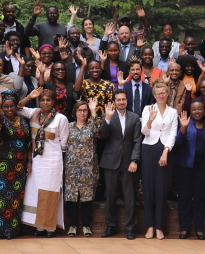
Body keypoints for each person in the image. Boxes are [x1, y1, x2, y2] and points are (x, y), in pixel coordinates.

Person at [0, 89, 39, 239]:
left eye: (12, 106)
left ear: (16, 106)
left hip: (19, 165)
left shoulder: (23, 120)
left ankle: (12, 230)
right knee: (0, 196)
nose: (9, 109)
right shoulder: (0, 119)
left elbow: (28, 142)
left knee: (15, 198)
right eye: (6, 106)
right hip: (1, 163)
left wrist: (29, 161)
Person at [24, 88, 70, 237]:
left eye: (48, 100)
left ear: (53, 101)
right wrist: (29, 97)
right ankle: (39, 227)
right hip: (37, 160)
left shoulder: (61, 119)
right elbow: (17, 108)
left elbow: (64, 143)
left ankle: (50, 227)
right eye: (42, 100)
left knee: (50, 192)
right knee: (38, 192)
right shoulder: (34, 113)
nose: (45, 103)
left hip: (53, 161)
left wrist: (58, 161)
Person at [100, 90, 142, 239]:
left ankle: (130, 228)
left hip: (128, 162)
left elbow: (137, 141)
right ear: (114, 102)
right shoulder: (107, 115)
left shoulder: (134, 117)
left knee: (130, 197)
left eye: (123, 99)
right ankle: (110, 227)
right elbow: (103, 135)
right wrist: (108, 119)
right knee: (110, 197)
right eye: (118, 100)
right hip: (111, 161)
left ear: (127, 101)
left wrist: (134, 160)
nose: (121, 102)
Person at [172, 99, 205, 240]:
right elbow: (179, 142)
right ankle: (184, 228)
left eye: (200, 109)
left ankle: (199, 228)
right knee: (184, 198)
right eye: (194, 109)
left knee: (200, 198)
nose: (197, 112)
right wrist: (183, 127)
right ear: (190, 111)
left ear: (204, 111)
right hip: (184, 166)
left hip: (202, 167)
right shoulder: (184, 123)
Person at [140, 80, 178, 240]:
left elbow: (173, 134)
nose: (161, 96)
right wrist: (150, 119)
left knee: (162, 190)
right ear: (154, 95)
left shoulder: (173, 112)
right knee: (148, 189)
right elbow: (144, 131)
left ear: (168, 94)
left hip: (165, 151)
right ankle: (149, 226)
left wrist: (166, 151)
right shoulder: (147, 109)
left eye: (163, 93)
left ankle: (159, 227)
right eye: (158, 94)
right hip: (148, 150)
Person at [64, 98, 102, 237]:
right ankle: (73, 226)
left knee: (87, 196)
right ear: (75, 112)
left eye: (85, 110)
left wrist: (93, 111)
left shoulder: (92, 126)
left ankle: (86, 226)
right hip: (71, 168)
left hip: (88, 168)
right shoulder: (68, 126)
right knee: (71, 197)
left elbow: (99, 131)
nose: (82, 113)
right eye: (79, 110)